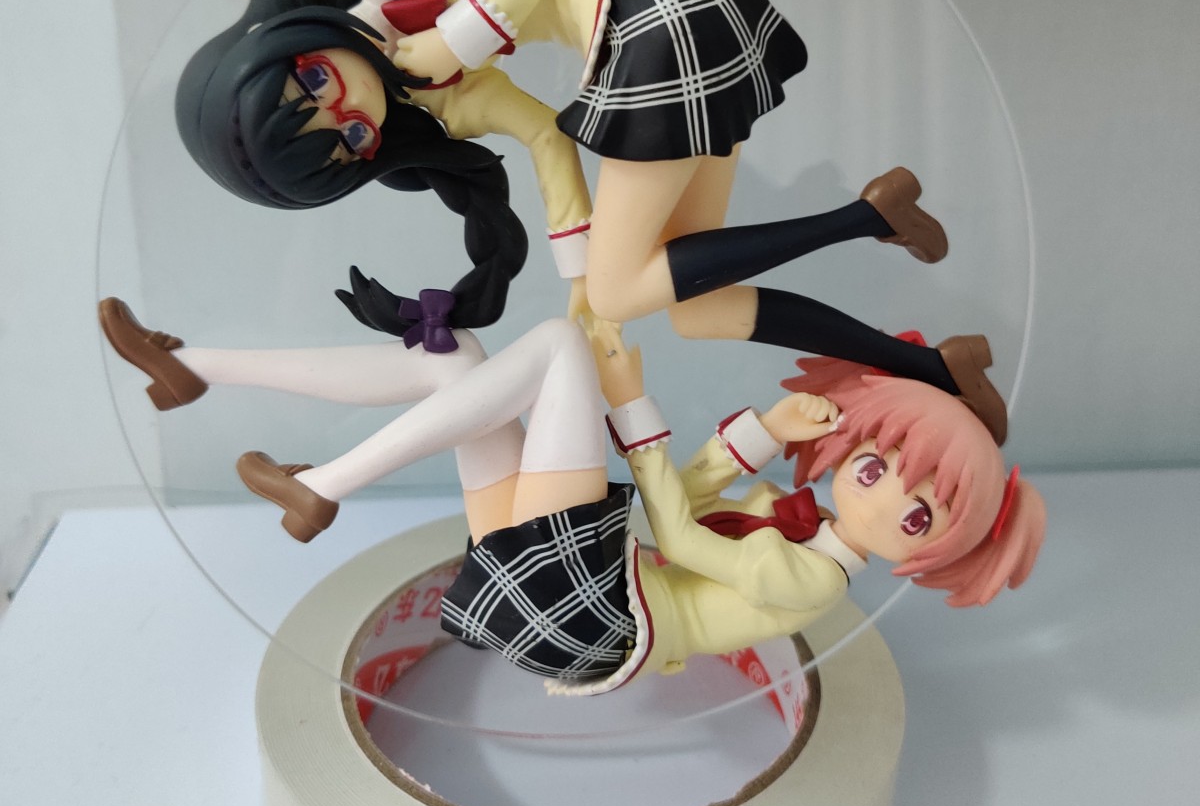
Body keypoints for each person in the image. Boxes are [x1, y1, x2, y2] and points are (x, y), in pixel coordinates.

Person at [176, 0, 1006, 437]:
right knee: (698, 308)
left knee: (624, 285)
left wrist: (462, 35)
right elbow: (544, 137)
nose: (351, 106)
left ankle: (865, 217)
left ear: (286, 40)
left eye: (313, 84)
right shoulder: (434, 98)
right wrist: (579, 285)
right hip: (673, 12)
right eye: (349, 137)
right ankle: (936, 367)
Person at [99, 304, 1044, 694]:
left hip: (596, 615)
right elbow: (691, 491)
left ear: (929, 554)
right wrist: (766, 428)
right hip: (567, 588)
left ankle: (319, 488)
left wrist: (629, 400)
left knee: (558, 345)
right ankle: (194, 366)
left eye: (915, 515)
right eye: (876, 464)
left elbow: (677, 527)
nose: (880, 493)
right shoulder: (784, 517)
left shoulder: (813, 581)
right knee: (456, 361)